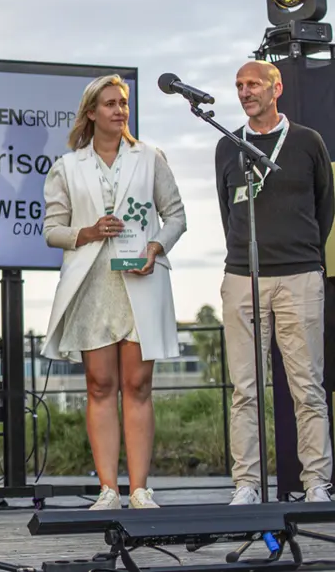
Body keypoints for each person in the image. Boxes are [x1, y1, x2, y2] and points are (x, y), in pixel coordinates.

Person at [42, 75, 186, 511]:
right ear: (91, 113)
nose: (120, 110)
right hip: (92, 284)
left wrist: (156, 247)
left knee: (138, 384)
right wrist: (85, 232)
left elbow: (175, 214)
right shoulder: (68, 166)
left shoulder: (150, 158)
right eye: (110, 104)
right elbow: (52, 231)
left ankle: (140, 489)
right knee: (100, 384)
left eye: (123, 102)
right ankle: (108, 489)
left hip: (140, 278)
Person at [216, 60, 334, 505]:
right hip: (242, 277)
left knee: (307, 386)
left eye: (253, 84)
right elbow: (228, 208)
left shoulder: (307, 142)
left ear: (276, 87)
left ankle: (317, 482)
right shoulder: (228, 145)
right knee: (245, 388)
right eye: (239, 86)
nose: (245, 92)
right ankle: (246, 484)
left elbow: (325, 204)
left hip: (299, 275)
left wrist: (302, 251)